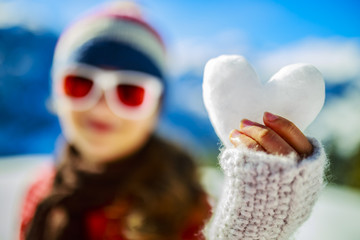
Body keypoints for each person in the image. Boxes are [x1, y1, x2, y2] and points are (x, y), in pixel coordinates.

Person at [18, 1, 327, 240]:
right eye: (80, 84)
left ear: (157, 106)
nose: (101, 107)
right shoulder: (43, 191)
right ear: (56, 93)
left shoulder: (186, 209)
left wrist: (253, 228)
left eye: (129, 91)